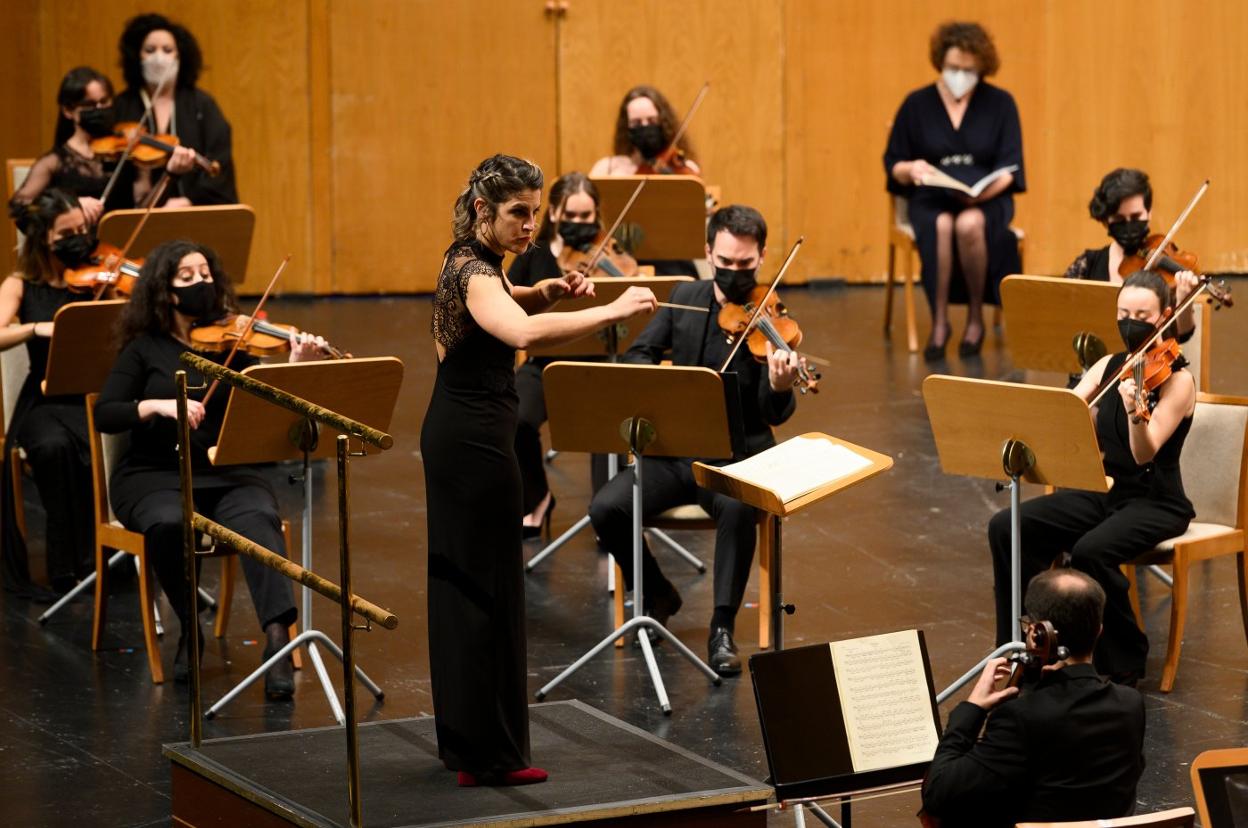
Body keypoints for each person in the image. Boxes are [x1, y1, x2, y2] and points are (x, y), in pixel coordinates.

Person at [422, 154, 656, 787]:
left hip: (467, 432)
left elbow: (504, 306)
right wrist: (613, 310)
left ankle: (478, 751)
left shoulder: (471, 262)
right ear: (481, 210)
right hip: (471, 445)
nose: (530, 227)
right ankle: (486, 755)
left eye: (535, 212)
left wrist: (541, 287)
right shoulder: (473, 270)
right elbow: (522, 331)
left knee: (480, 589)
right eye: (517, 214)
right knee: (482, 593)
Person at [94, 239, 324, 695]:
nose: (202, 282)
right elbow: (106, 412)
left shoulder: (235, 343)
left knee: (259, 520)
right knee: (168, 523)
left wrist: (294, 367)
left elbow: (267, 410)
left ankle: (278, 637)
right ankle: (189, 630)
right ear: (164, 290)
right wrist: (158, 405)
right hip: (152, 474)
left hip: (226, 469)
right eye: (187, 276)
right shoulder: (144, 348)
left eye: (206, 273)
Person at [588, 204, 801, 676]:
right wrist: (663, 388)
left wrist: (781, 386)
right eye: (724, 263)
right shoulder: (685, 296)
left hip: (735, 459)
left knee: (739, 509)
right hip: (675, 452)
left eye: (745, 265)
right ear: (708, 253)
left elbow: (773, 413)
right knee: (606, 507)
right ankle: (657, 592)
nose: (734, 274)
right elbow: (640, 354)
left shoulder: (771, 318)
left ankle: (722, 626)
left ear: (762, 257)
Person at [987, 270, 1195, 685]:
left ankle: (1124, 657)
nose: (1129, 321)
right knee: (1009, 526)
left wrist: (1137, 412)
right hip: (1109, 491)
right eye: (1123, 312)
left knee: (1090, 551)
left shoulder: (1178, 380)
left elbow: (1144, 451)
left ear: (1164, 316)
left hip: (1157, 501)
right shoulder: (1108, 365)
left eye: (1141, 313)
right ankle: (1028, 646)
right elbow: (1065, 411)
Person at [921, 569, 1146, 827]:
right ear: (1099, 630)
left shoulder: (1021, 717)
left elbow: (938, 793)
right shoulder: (1131, 703)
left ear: (1035, 634)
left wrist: (972, 709)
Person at [884, 21, 1025, 360]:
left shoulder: (1001, 103)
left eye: (968, 69)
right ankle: (940, 321)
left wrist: (981, 194)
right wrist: (910, 169)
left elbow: (1011, 169)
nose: (959, 75)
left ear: (981, 68)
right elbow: (894, 162)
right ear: (940, 63)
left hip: (986, 199)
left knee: (969, 224)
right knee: (942, 224)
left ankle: (975, 317)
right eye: (953, 68)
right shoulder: (916, 104)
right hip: (932, 197)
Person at [0, 190, 99, 599]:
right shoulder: (21, 284)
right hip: (43, 397)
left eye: (83, 229)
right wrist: (36, 328)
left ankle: (106, 558)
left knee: (104, 443)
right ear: (44, 238)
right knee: (53, 446)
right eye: (67, 233)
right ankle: (65, 566)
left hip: (93, 393)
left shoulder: (98, 278)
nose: (79, 238)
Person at [507, 171, 611, 538]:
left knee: (609, 423)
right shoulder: (531, 257)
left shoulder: (611, 257)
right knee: (515, 416)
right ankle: (536, 498)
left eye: (587, 217)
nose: (580, 224)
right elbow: (509, 305)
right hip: (544, 364)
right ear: (552, 213)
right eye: (572, 216)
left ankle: (608, 511)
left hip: (599, 365)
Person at [7, 66, 195, 223]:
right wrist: (71, 204)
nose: (99, 110)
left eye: (104, 102)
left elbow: (142, 213)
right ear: (68, 110)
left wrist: (171, 174)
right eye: (89, 104)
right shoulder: (54, 162)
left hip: (121, 250)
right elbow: (19, 208)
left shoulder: (130, 152)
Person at [112, 13, 238, 208]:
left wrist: (189, 199)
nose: (159, 57)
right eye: (150, 50)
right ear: (137, 56)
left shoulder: (202, 105)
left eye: (167, 50)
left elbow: (220, 162)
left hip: (193, 212)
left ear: (179, 57)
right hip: (136, 214)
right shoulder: (122, 105)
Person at [1066, 168, 1197, 339]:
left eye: (1136, 217)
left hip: (1152, 364)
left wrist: (1183, 303)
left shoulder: (1165, 263)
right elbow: (1063, 316)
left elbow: (1183, 335)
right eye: (1119, 220)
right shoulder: (1087, 265)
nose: (1128, 225)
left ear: (1149, 213)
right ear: (1106, 220)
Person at [590, 85, 701, 177]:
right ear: (626, 127)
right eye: (637, 123)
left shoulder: (683, 169)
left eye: (651, 121)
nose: (645, 127)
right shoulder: (606, 168)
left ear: (664, 123)